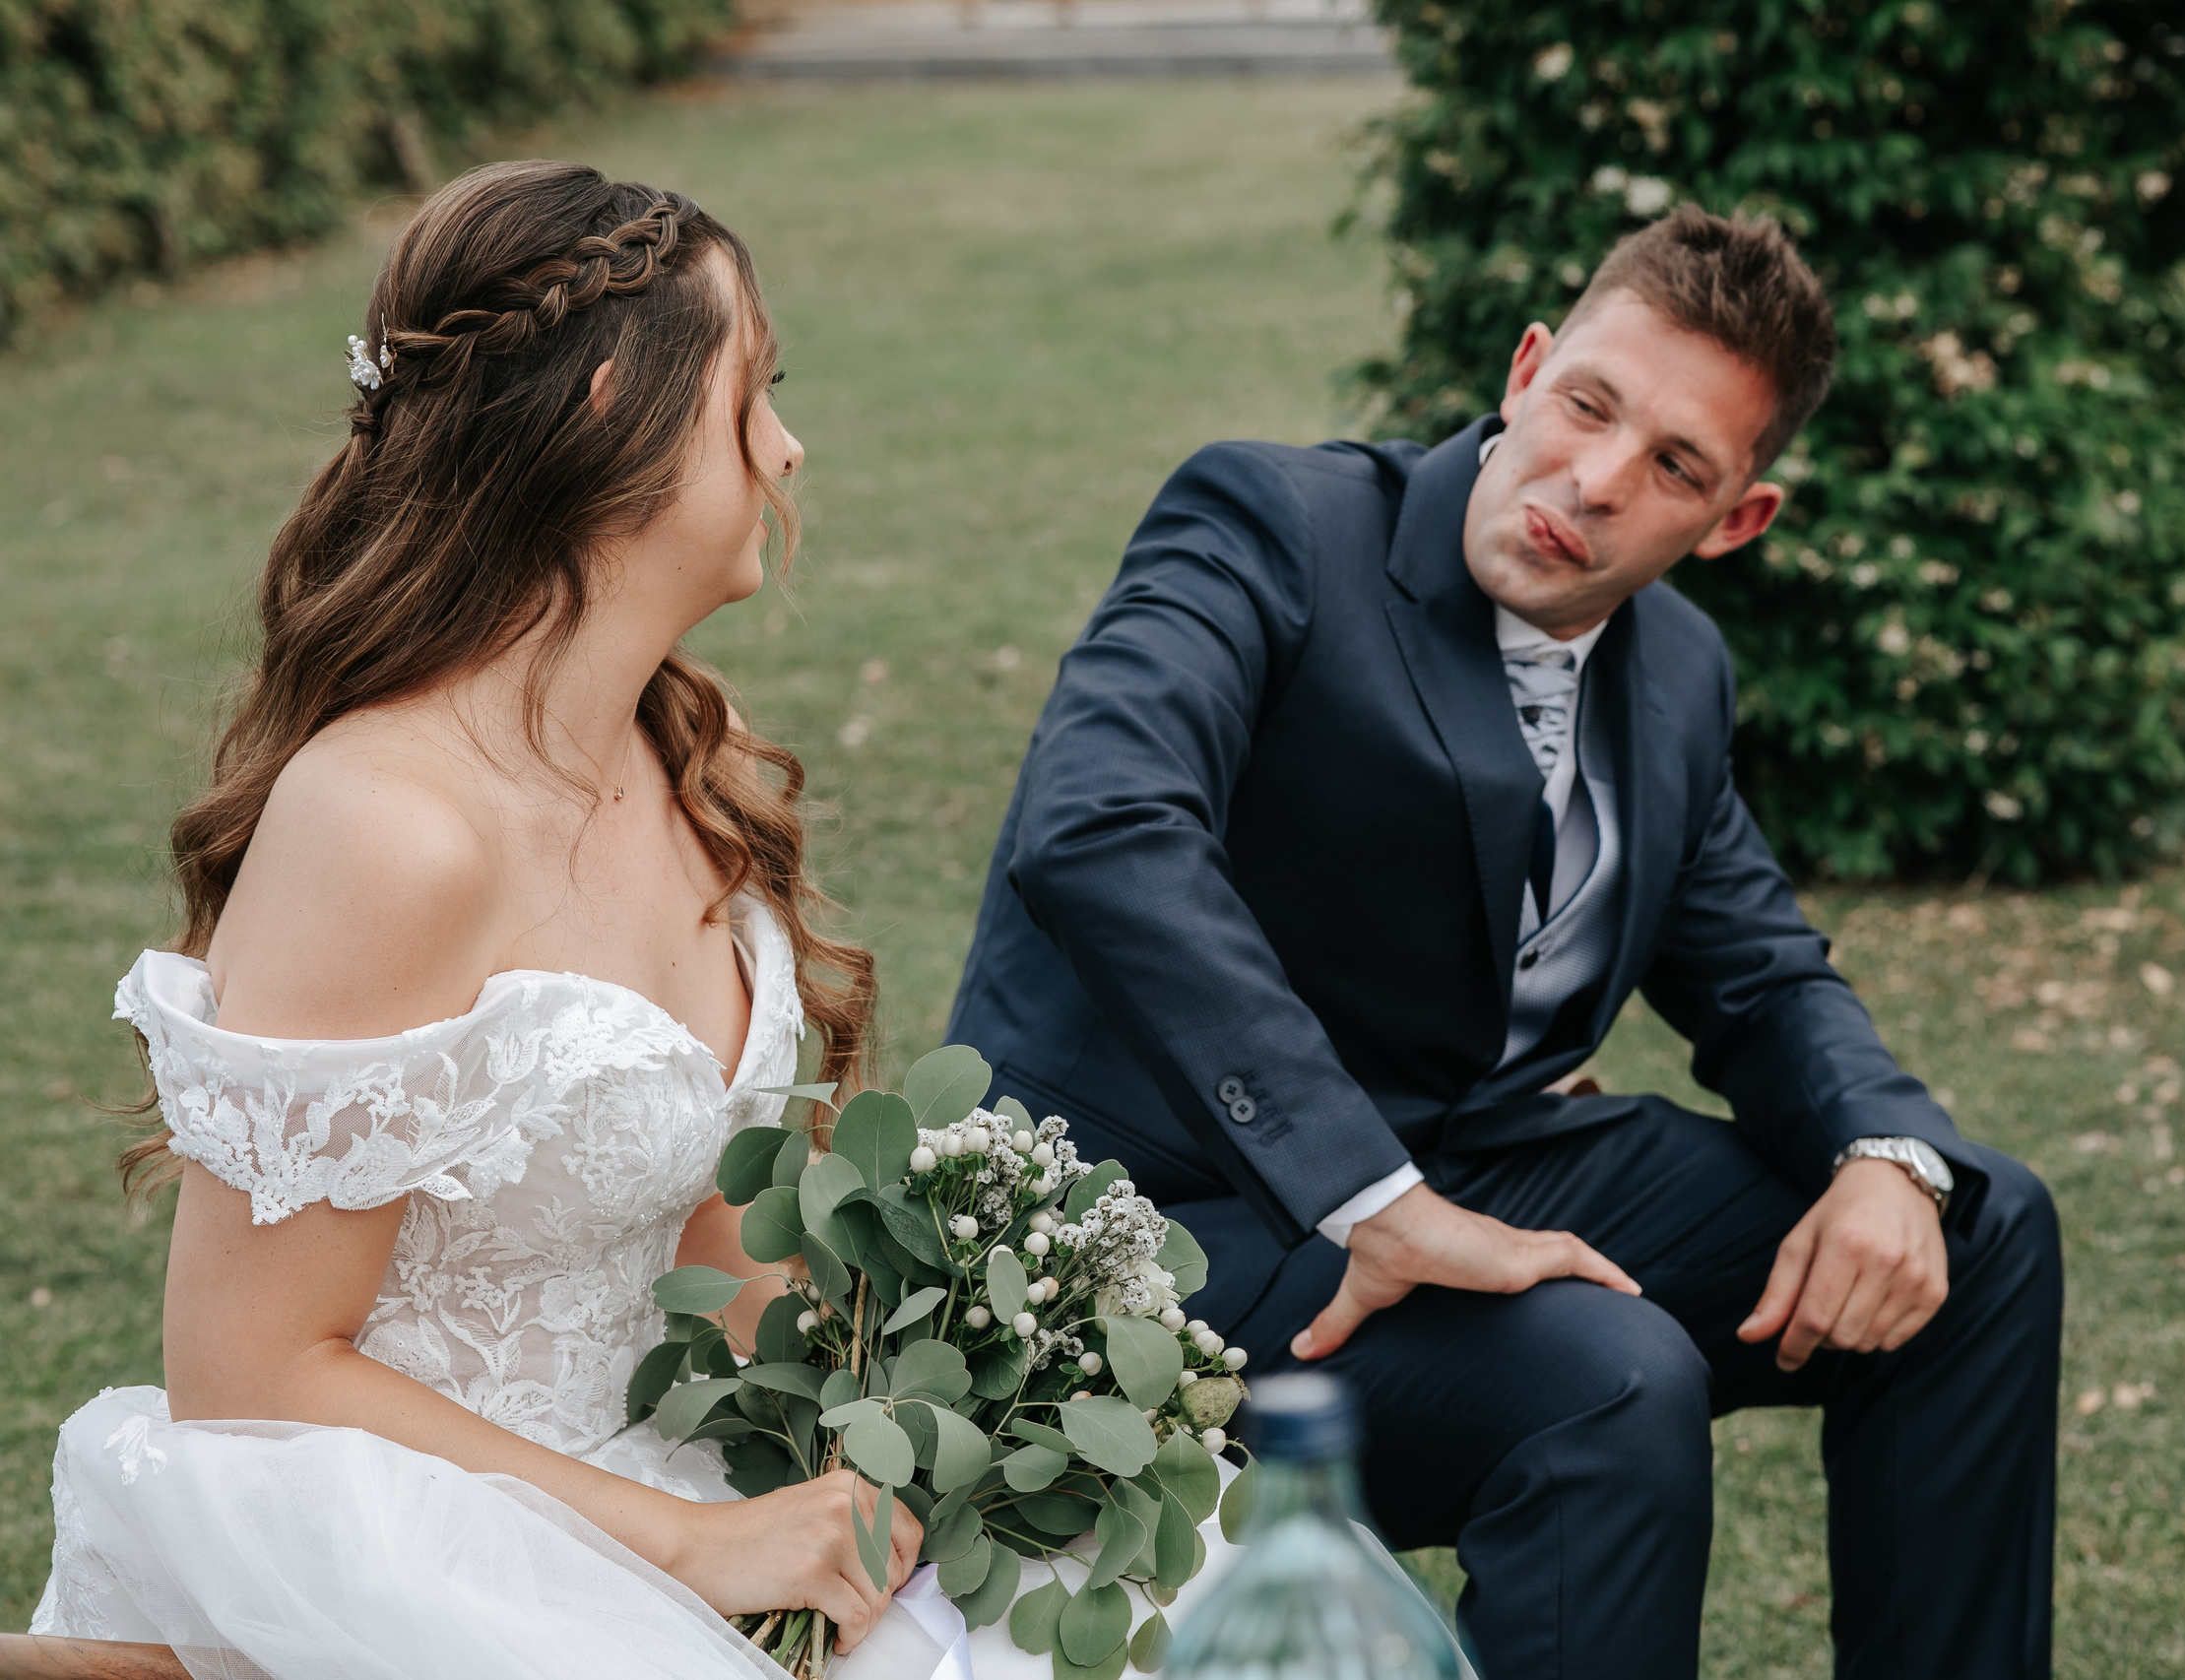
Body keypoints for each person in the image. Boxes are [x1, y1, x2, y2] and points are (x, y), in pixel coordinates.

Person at [947, 206, 2064, 1677]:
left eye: (1674, 466)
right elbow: (1101, 825)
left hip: (1467, 1153)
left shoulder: (1677, 675)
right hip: (1156, 1217)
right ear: (1528, 365)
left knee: (1971, 1227)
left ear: (1735, 519)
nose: (1592, 483)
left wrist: (1882, 1156)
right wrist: (1371, 1192)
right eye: (1587, 405)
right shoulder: (1272, 523)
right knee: (1607, 1375)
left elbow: (1761, 973)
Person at [31, 162, 944, 1679]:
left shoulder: (678, 758)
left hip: (677, 1471)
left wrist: (904, 1418)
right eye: (755, 392)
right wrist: (691, 1551)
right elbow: (248, 1369)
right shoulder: (387, 828)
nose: (789, 445)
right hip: (421, 1561)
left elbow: (719, 1258)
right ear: (609, 412)